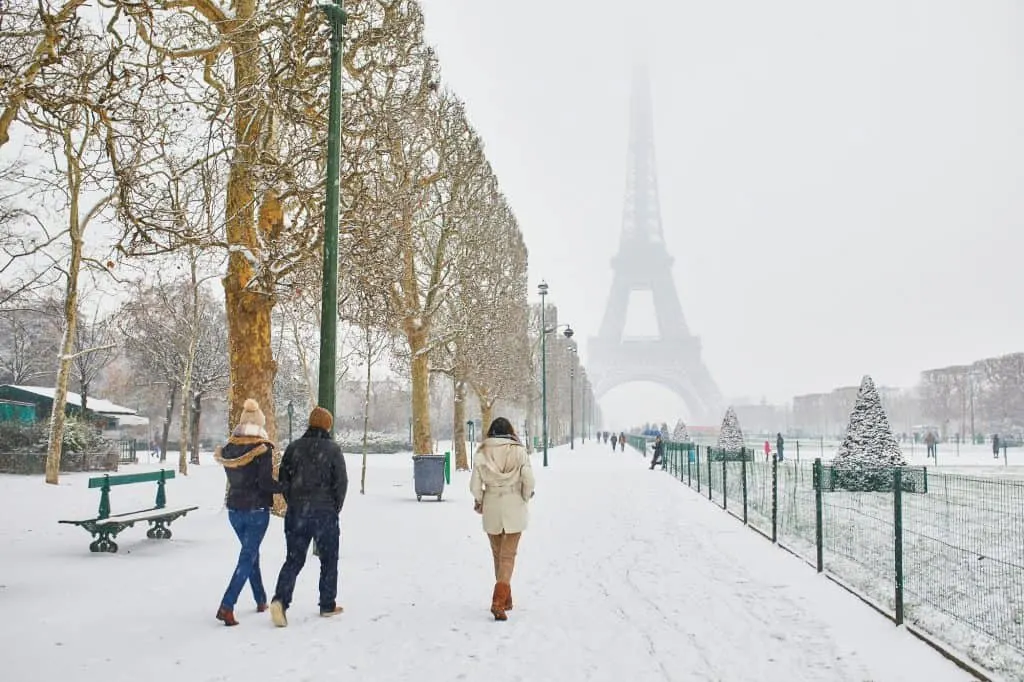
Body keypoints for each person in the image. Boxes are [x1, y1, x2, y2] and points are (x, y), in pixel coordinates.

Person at [269, 406, 348, 627]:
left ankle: (280, 600)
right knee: (329, 559)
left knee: (293, 559)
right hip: (325, 514)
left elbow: (284, 480)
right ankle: (327, 604)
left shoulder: (293, 448)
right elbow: (341, 483)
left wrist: (293, 502)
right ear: (327, 426)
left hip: (297, 514)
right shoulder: (333, 450)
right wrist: (334, 507)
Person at [214, 398, 281, 626]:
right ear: (260, 424)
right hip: (256, 510)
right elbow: (264, 482)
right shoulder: (262, 449)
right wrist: (285, 486)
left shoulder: (230, 447)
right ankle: (227, 605)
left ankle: (260, 598)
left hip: (234, 510)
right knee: (248, 556)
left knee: (250, 553)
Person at [470, 417, 536, 622]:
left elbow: (474, 484)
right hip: (514, 503)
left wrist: (480, 501)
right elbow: (529, 480)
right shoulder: (518, 450)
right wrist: (525, 496)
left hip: (491, 503)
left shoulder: (482, 452)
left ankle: (506, 599)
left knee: (498, 555)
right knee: (508, 556)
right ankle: (499, 601)